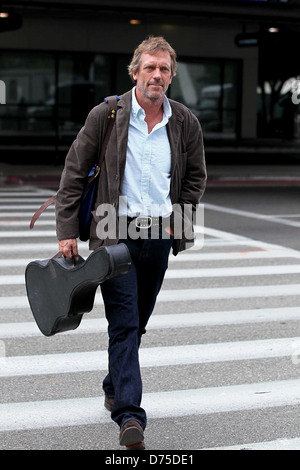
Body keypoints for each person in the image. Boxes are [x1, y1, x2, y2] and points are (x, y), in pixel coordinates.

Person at [55, 36, 207, 450]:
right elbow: (74, 171)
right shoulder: (107, 115)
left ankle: (113, 382)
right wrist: (67, 230)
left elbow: (195, 178)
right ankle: (129, 415)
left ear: (171, 76)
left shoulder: (184, 121)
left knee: (137, 322)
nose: (156, 75)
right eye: (150, 68)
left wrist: (181, 221)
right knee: (123, 321)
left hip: (158, 235)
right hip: (113, 233)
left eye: (164, 69)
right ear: (135, 72)